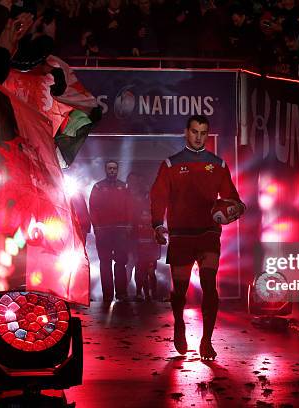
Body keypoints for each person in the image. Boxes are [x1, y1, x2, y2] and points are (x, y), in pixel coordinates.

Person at [150, 115, 245, 360]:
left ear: (207, 134)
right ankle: (179, 324)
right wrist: (158, 224)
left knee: (209, 285)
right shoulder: (171, 164)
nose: (198, 137)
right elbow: (158, 196)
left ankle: (206, 340)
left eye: (203, 132)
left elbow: (232, 198)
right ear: (186, 132)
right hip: (181, 234)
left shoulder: (218, 165)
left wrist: (236, 208)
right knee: (179, 291)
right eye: (194, 132)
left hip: (208, 233)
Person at [89, 160, 131, 303]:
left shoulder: (124, 187)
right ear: (105, 170)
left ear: (117, 170)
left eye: (114, 168)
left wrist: (128, 225)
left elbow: (129, 207)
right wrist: (96, 227)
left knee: (120, 262)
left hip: (120, 231)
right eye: (109, 168)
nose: (112, 170)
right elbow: (93, 208)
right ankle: (108, 294)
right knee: (105, 262)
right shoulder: (98, 187)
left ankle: (121, 293)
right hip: (104, 231)